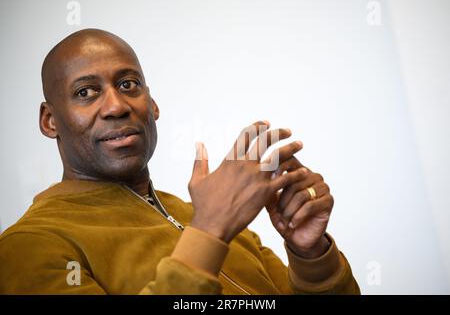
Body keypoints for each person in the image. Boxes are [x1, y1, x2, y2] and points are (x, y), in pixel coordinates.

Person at [0, 29, 360, 294]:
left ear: (152, 106)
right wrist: (208, 231)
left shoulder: (207, 218)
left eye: (128, 85)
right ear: (50, 121)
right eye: (86, 92)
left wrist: (310, 255)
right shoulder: (29, 245)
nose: (116, 106)